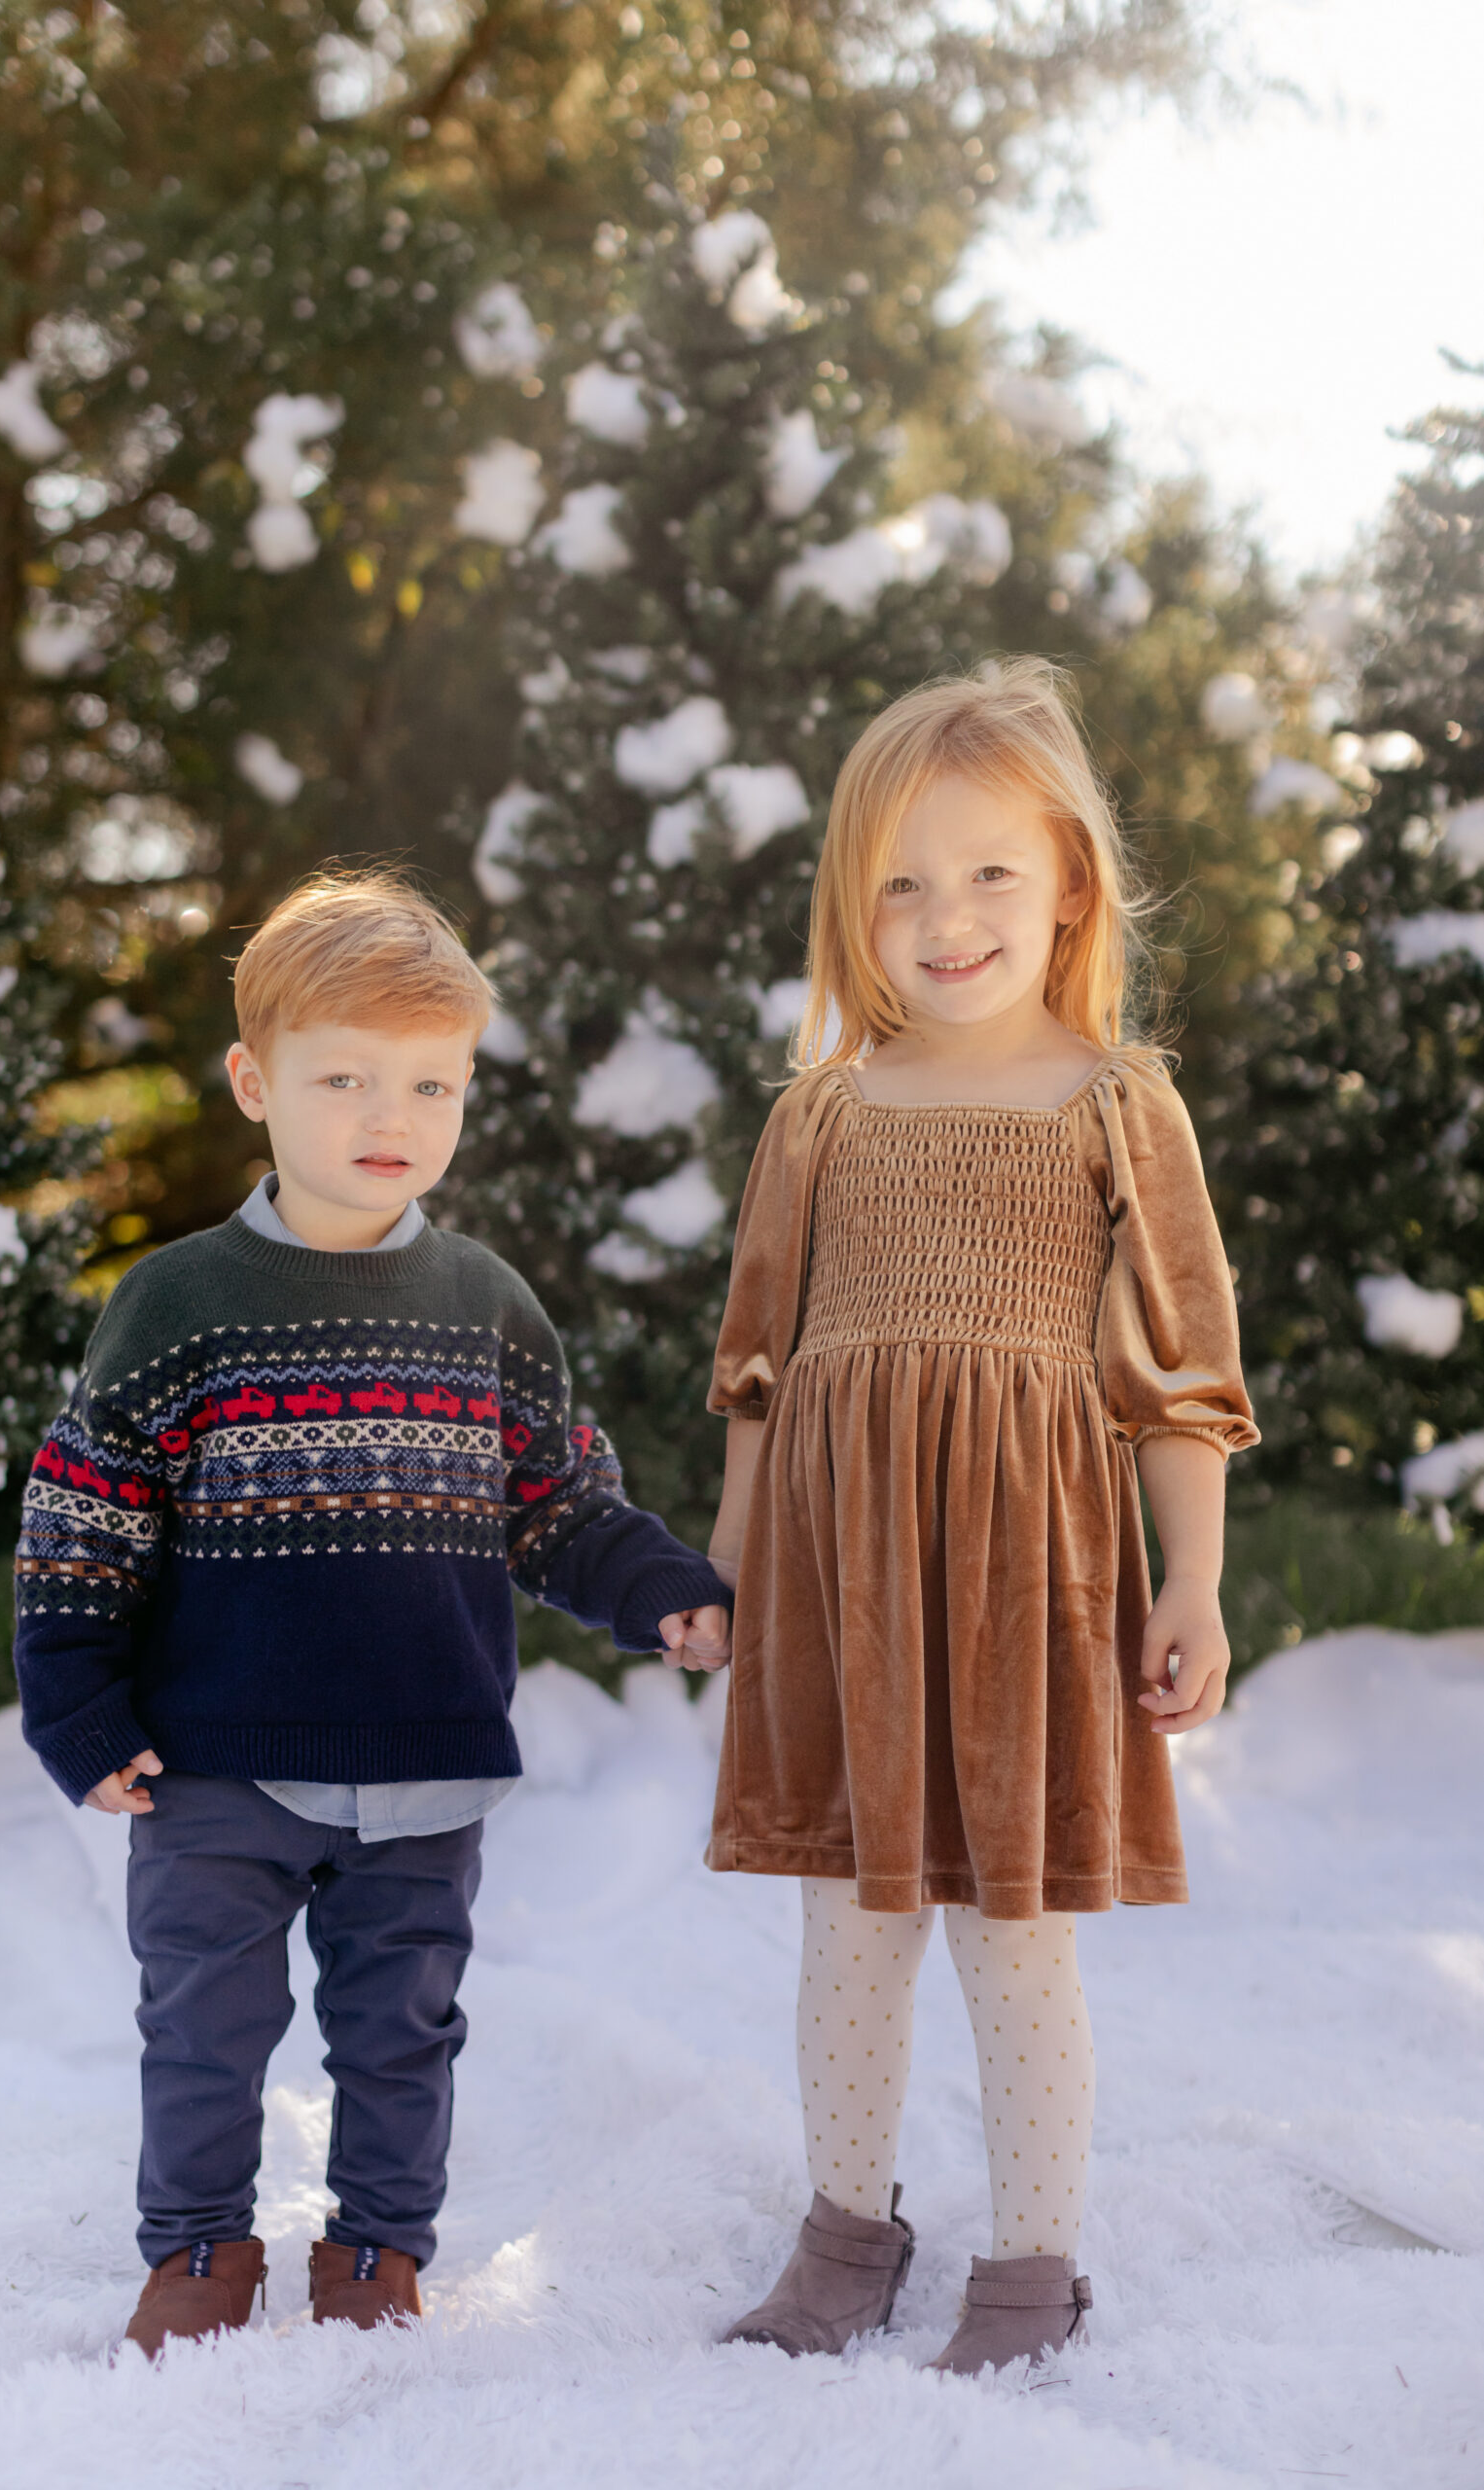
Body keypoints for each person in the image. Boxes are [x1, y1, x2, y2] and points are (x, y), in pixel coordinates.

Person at [12, 870, 731, 2359]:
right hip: (212, 1763)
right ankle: (200, 2249)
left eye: (430, 1082)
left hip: (424, 1759)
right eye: (342, 1077)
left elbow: (555, 1502)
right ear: (253, 1081)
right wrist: (77, 1708)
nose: (385, 1114)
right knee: (204, 2030)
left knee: (401, 2030)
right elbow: (85, 1519)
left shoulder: (484, 1307)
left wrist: (658, 1590)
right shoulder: (180, 1302)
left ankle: (377, 2248)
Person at [694, 660, 1256, 2375]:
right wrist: (723, 1568)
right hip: (841, 1575)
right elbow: (759, 1371)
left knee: (1014, 1937)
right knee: (851, 1927)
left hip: (1026, 1576)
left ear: (1070, 878)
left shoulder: (1112, 1105)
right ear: (851, 910)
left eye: (989, 872)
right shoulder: (819, 1115)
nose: (946, 919)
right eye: (901, 884)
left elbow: (1175, 1379)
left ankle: (1032, 2265)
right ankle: (846, 2231)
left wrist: (1197, 1584)